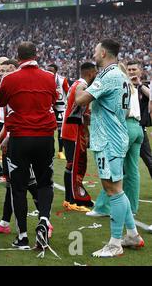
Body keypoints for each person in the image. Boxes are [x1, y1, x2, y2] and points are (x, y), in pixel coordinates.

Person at [75, 39, 144, 258]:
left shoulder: (107, 75)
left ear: (103, 53)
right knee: (117, 188)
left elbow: (81, 100)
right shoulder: (122, 77)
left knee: (112, 188)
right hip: (116, 136)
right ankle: (132, 234)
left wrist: (81, 84)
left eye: (95, 50)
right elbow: (122, 113)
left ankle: (115, 243)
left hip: (108, 141)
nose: (94, 53)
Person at [0, 42, 57, 251]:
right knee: (45, 183)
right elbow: (54, 100)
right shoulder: (50, 76)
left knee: (18, 187)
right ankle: (44, 220)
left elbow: (0, 101)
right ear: (36, 54)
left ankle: (22, 236)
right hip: (45, 136)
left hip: (20, 136)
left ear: (17, 57)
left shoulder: (10, 78)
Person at [87, 63, 144, 217]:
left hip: (124, 127)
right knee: (132, 170)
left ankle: (102, 207)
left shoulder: (116, 84)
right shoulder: (130, 86)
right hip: (137, 128)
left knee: (113, 170)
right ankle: (132, 208)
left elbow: (121, 112)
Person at [61, 62, 98, 210]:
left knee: (73, 165)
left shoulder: (77, 83)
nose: (96, 76)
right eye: (95, 73)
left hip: (73, 130)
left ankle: (72, 199)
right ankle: (72, 201)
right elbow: (78, 98)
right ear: (90, 73)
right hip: (72, 131)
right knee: (73, 165)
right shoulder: (81, 86)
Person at [126, 60, 152, 179]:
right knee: (122, 162)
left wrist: (139, 85)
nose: (131, 72)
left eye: (134, 69)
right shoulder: (123, 85)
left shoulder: (144, 86)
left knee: (149, 160)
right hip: (123, 128)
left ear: (140, 71)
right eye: (129, 70)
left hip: (139, 128)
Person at [48, 64, 69, 160]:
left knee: (61, 131)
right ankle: (50, 151)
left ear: (56, 71)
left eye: (51, 70)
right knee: (50, 131)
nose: (49, 72)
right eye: (48, 70)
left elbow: (68, 93)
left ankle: (60, 151)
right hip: (50, 108)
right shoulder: (46, 79)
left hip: (61, 108)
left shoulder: (62, 80)